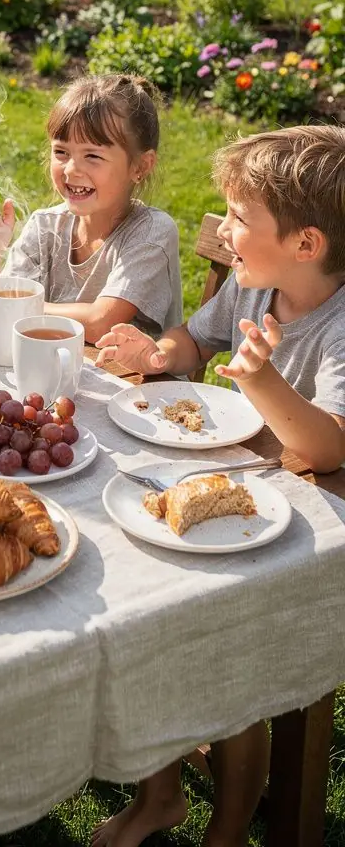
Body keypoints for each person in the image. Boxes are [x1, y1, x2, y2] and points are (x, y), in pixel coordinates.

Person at [93, 124, 345, 847]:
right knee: (148, 603)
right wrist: (158, 349)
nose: (224, 229)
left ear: (306, 245)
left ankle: (228, 830)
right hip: (231, 495)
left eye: (238, 217)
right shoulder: (251, 281)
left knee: (236, 665)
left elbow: (327, 445)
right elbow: (195, 341)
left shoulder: (337, 326)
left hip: (307, 527)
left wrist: (260, 378)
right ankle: (161, 794)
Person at [0, 74, 182, 344]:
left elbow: (101, 322)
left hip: (134, 383)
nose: (72, 169)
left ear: (140, 167)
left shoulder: (151, 232)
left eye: (93, 156)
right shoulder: (44, 226)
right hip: (55, 374)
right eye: (61, 152)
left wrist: (12, 307)